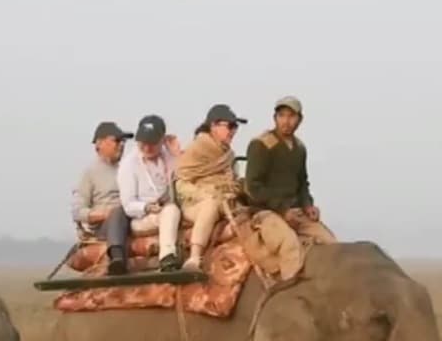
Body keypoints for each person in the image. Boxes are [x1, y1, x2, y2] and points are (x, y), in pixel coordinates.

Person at [244, 96, 336, 244]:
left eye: (291, 116)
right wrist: (282, 209)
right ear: (275, 118)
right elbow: (253, 187)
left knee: (330, 243)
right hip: (266, 211)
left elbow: (302, 182)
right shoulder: (261, 144)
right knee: (289, 247)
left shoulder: (299, 148)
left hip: (295, 211)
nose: (286, 121)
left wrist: (308, 205)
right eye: (281, 116)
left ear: (300, 120)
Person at [174, 104, 248, 271]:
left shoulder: (229, 155)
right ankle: (195, 255)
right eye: (229, 126)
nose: (233, 131)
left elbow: (232, 179)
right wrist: (204, 194)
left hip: (226, 199)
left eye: (235, 127)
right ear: (213, 126)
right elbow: (180, 183)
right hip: (196, 204)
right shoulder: (196, 149)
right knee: (211, 205)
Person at [116, 115, 183, 273]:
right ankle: (167, 257)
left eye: (152, 144)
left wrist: (178, 153)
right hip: (142, 217)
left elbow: (184, 177)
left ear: (162, 140)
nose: (147, 148)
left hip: (169, 207)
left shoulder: (168, 157)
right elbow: (128, 204)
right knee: (170, 211)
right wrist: (146, 207)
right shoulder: (129, 165)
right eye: (143, 143)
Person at [72, 121, 133, 274]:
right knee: (118, 212)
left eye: (123, 141)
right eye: (116, 141)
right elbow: (78, 211)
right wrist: (104, 214)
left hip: (131, 217)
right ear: (100, 144)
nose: (121, 145)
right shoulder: (90, 173)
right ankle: (116, 257)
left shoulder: (128, 169)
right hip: (104, 226)